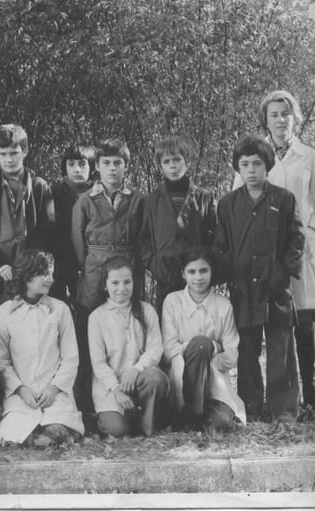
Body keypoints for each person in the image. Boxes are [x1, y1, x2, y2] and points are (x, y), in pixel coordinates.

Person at [234, 90, 315, 408]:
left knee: (304, 323)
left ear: (295, 117)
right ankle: (267, 400)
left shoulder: (309, 157)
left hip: (300, 251)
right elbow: (239, 203)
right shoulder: (255, 157)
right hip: (262, 258)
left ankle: (309, 398)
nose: (281, 120)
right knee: (271, 326)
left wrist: (306, 241)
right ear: (265, 121)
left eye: (286, 113)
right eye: (274, 115)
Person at [214, 135, 303, 422]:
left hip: (275, 287)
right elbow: (221, 245)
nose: (251, 170)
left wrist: (283, 272)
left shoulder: (283, 199)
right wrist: (229, 272)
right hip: (243, 288)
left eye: (257, 164)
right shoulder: (227, 204)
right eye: (245, 164)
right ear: (237, 168)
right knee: (247, 349)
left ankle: (284, 409)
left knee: (280, 346)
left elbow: (296, 239)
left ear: (267, 166)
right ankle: (251, 406)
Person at [71, 138, 144, 421]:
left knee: (128, 332)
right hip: (95, 269)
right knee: (90, 336)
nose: (112, 168)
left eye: (117, 163)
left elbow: (142, 236)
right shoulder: (85, 200)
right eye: (106, 163)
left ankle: (130, 398)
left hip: (126, 267)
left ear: (126, 166)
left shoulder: (137, 199)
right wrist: (90, 265)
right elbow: (77, 240)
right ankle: (88, 405)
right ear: (97, 167)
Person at [0, 250, 84, 447]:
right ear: (27, 276)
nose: (51, 279)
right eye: (44, 273)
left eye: (51, 273)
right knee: (16, 432)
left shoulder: (60, 310)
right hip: (22, 394)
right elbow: (1, 361)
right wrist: (21, 389)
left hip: (55, 392)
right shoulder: (4, 313)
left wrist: (54, 387)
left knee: (58, 426)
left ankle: (55, 431)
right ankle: (32, 434)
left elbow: (70, 358)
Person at [0, 123, 53, 320]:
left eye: (14, 153)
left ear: (24, 151)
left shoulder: (40, 187)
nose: (9, 159)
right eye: (3, 154)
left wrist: (30, 266)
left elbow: (47, 232)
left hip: (30, 270)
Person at [161, 246, 245, 433]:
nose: (198, 277)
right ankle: (190, 411)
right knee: (200, 344)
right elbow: (168, 350)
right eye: (192, 272)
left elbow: (232, 355)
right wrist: (207, 347)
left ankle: (193, 416)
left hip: (214, 384)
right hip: (181, 383)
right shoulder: (172, 302)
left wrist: (208, 357)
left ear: (211, 272)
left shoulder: (223, 305)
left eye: (203, 271)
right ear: (183, 274)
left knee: (223, 423)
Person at [88, 256, 169, 437]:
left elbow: (155, 348)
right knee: (117, 430)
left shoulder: (146, 310)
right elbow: (98, 363)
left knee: (155, 378)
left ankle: (146, 423)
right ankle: (121, 417)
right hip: (111, 388)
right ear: (105, 285)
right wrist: (116, 390)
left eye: (127, 282)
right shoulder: (97, 317)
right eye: (115, 283)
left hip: (140, 380)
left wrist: (135, 370)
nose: (122, 288)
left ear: (134, 282)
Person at [140, 135, 216, 321]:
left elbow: (216, 237)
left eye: (177, 160)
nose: (172, 166)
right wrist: (154, 265)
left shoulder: (204, 197)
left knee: (198, 328)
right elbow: (143, 240)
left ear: (187, 162)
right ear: (160, 166)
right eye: (166, 162)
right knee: (168, 329)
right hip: (165, 276)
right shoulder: (151, 201)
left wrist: (205, 266)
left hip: (197, 278)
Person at [50, 144, 96, 302]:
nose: (77, 170)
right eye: (71, 164)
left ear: (92, 167)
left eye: (82, 164)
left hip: (94, 265)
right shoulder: (53, 193)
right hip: (62, 266)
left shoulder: (99, 193)